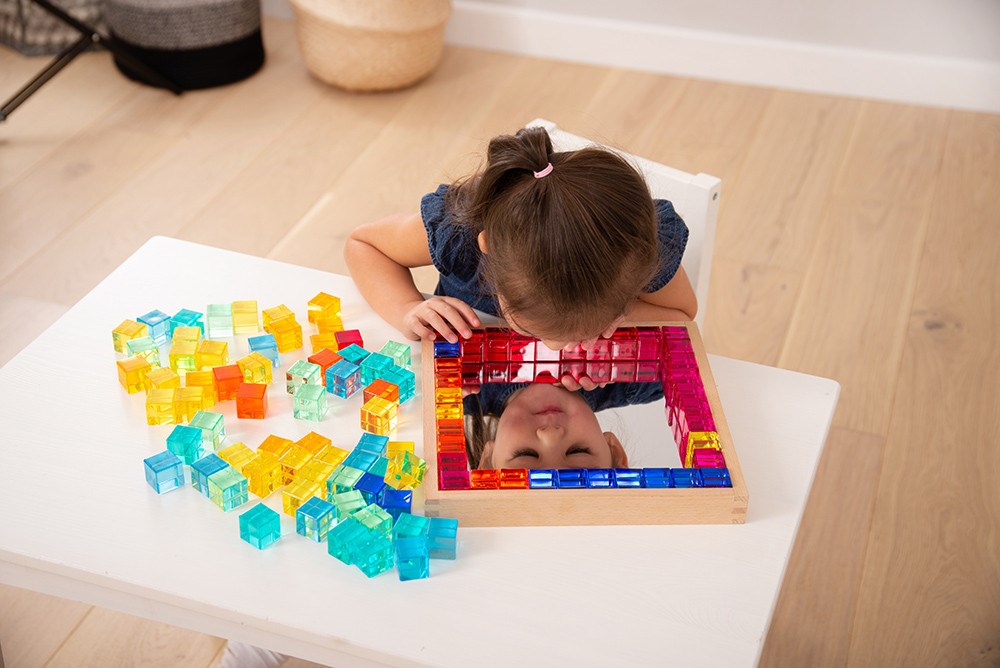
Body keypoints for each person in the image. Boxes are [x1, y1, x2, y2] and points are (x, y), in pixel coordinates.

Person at [345, 125, 697, 393]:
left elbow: (683, 317)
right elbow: (364, 245)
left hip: (578, 398)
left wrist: (619, 321)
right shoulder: (459, 229)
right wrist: (406, 308)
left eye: (583, 333)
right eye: (531, 329)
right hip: (476, 386)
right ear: (487, 249)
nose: (556, 347)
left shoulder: (639, 248)